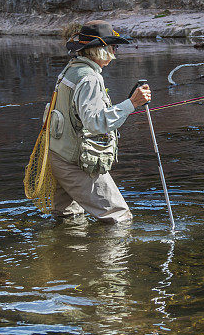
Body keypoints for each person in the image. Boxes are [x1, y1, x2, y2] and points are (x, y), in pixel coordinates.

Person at [47, 20, 151, 223]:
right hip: (74, 163)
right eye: (114, 47)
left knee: (68, 220)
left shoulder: (71, 70)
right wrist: (132, 103)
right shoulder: (89, 79)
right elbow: (94, 123)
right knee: (119, 217)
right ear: (101, 50)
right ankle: (114, 256)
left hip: (58, 156)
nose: (115, 52)